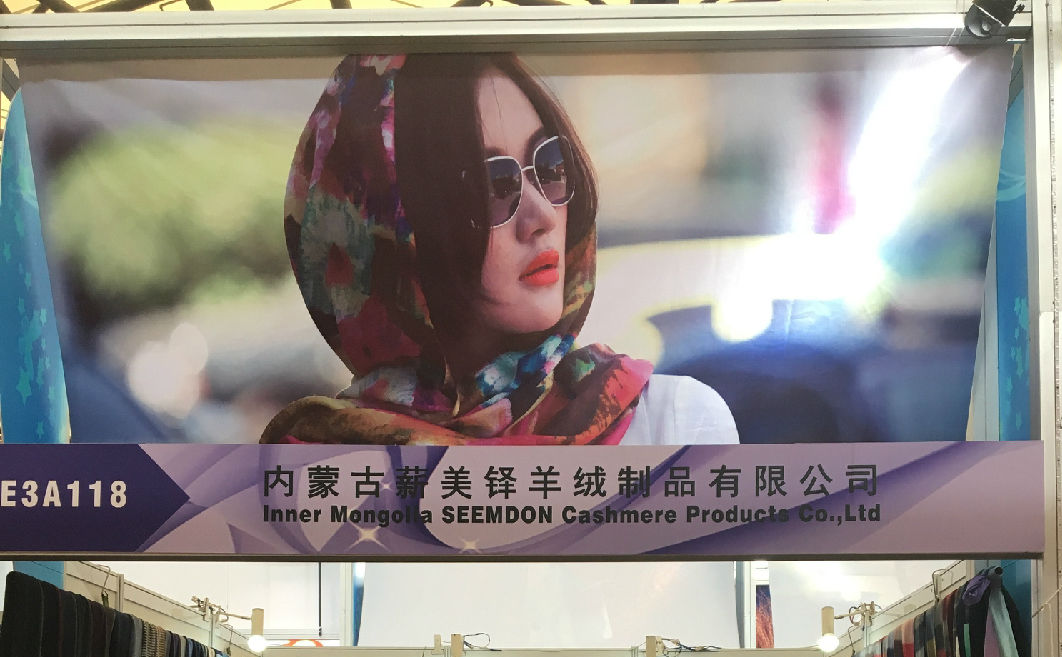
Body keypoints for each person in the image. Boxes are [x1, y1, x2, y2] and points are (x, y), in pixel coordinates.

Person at [261, 53, 738, 447]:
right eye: (490, 186)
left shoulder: (672, 427)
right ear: (381, 233)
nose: (542, 215)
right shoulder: (312, 471)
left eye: (551, 164)